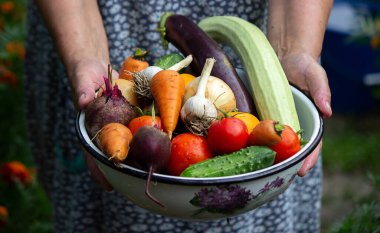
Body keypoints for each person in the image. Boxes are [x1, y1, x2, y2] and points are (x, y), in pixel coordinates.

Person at [25, 0, 333, 232]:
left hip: (272, 27)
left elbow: (276, 139)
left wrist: (294, 49)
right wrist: (86, 55)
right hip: (100, 45)